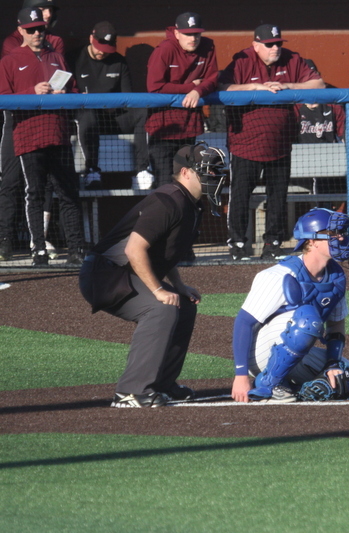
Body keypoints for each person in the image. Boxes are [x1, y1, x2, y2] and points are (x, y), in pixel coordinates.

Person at [78, 143, 228, 408]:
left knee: (183, 306)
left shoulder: (191, 204)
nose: (213, 177)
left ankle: (162, 384)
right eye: (207, 171)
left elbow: (162, 253)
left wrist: (178, 285)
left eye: (216, 172)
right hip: (105, 274)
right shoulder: (167, 200)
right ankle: (130, 392)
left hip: (124, 272)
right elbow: (134, 249)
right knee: (161, 309)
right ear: (185, 172)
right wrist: (159, 290)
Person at [231, 207, 349, 403]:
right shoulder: (278, 275)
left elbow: (335, 325)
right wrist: (240, 376)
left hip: (297, 349)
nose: (341, 238)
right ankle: (268, 383)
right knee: (307, 319)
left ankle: (296, 385)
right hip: (260, 353)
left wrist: (332, 364)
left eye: (342, 232)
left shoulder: (336, 277)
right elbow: (244, 322)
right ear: (312, 240)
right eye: (334, 233)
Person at [219, 24, 324, 261]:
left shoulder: (292, 60)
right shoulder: (242, 60)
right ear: (256, 45)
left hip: (280, 143)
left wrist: (289, 86)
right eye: (269, 45)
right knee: (240, 195)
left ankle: (273, 244)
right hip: (245, 144)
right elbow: (222, 87)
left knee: (277, 197)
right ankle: (237, 244)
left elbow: (318, 85)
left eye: (278, 43)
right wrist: (252, 88)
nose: (275, 48)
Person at [0, 7, 85, 266]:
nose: (37, 33)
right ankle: (38, 249)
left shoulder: (57, 57)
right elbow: (3, 98)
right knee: (34, 192)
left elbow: (75, 90)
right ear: (21, 30)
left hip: (58, 132)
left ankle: (76, 249)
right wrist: (31, 91)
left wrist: (65, 96)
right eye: (31, 29)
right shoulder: (10, 60)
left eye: (40, 28)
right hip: (28, 135)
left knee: (68, 192)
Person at [67, 21, 152, 190]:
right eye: (99, 47)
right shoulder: (74, 58)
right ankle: (91, 171)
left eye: (107, 50)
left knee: (142, 111)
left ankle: (142, 170)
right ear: (91, 38)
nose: (102, 53)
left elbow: (127, 98)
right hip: (87, 120)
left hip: (113, 117)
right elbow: (65, 91)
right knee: (87, 114)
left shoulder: (118, 61)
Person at [146, 12, 218, 188]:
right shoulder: (165, 49)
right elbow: (154, 86)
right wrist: (190, 88)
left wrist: (198, 91)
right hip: (163, 129)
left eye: (196, 33)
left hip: (189, 127)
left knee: (187, 184)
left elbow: (213, 78)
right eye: (188, 34)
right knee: (165, 185)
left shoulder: (208, 46)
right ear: (177, 33)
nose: (193, 38)